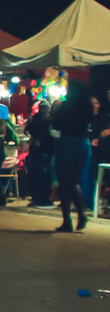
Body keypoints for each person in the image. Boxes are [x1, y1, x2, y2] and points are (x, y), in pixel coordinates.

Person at [51, 80, 95, 232]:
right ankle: (81, 215)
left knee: (64, 183)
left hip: (67, 142)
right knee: (74, 181)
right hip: (83, 143)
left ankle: (67, 221)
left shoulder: (67, 105)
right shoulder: (88, 105)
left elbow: (56, 124)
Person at [26, 101, 55, 208]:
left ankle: (37, 198)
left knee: (38, 176)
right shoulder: (46, 120)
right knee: (43, 176)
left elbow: (27, 130)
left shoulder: (35, 119)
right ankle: (41, 199)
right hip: (44, 151)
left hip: (38, 151)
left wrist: (34, 139)